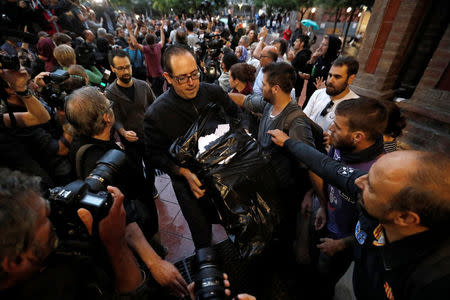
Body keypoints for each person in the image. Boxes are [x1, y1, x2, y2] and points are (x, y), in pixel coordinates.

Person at [268, 130, 450, 300]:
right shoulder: (382, 194)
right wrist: (289, 142)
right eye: (368, 174)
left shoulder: (431, 282)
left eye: (371, 186)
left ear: (404, 218)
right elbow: (326, 166)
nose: (359, 181)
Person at [66, 86, 188, 297]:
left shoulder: (80, 143)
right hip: (138, 231)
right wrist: (154, 262)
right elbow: (124, 217)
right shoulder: (103, 164)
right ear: (107, 117)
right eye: (109, 107)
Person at [143, 45, 244, 250]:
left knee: (238, 222)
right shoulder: (156, 114)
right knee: (202, 237)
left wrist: (240, 140)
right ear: (168, 77)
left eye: (194, 74)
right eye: (182, 78)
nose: (191, 83)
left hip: (226, 174)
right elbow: (153, 155)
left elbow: (237, 116)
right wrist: (182, 172)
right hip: (190, 187)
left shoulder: (214, 91)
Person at [0, 168, 146, 299]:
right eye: (45, 217)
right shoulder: (61, 287)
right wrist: (117, 246)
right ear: (15, 261)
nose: (53, 215)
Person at [310, 98, 387, 300]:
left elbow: (375, 230)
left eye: (338, 125)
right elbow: (327, 174)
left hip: (344, 243)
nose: (331, 128)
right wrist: (323, 207)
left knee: (327, 281)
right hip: (327, 221)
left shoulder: (379, 174)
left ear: (358, 136)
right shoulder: (341, 146)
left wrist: (342, 244)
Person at [105, 48, 158, 197]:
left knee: (150, 165)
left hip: (147, 136)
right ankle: (142, 189)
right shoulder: (111, 92)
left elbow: (155, 107)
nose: (126, 71)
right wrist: (123, 132)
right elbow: (116, 119)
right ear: (112, 69)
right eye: (121, 68)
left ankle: (151, 186)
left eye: (128, 66)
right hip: (129, 141)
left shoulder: (143, 86)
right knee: (136, 169)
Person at [303, 56, 359, 132]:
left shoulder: (355, 106)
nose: (330, 80)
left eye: (337, 77)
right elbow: (303, 119)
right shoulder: (318, 93)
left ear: (350, 79)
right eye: (330, 75)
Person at [127, 21, 166, 97]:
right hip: (160, 74)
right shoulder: (158, 46)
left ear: (146, 42)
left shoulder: (147, 49)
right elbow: (163, 40)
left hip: (154, 76)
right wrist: (161, 29)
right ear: (154, 40)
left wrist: (129, 30)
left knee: (156, 94)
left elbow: (135, 43)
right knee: (160, 91)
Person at [302, 35, 342, 107]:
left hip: (321, 101)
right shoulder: (318, 58)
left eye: (324, 45)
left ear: (331, 48)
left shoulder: (334, 64)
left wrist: (324, 88)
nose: (320, 47)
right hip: (309, 96)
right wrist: (312, 59)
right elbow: (308, 72)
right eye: (321, 44)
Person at [288, 35, 312, 99]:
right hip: (295, 88)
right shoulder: (303, 54)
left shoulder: (302, 56)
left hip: (294, 89)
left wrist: (292, 60)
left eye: (296, 41)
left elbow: (295, 70)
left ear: (302, 44)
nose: (294, 43)